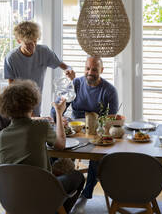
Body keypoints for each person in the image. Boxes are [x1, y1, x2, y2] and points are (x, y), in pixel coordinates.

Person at [0, 80, 85, 213]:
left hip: (12, 198)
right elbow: (61, 144)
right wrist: (59, 113)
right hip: (42, 193)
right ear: (31, 103)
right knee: (78, 177)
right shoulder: (40, 126)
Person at [51, 56, 118, 214]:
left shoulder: (109, 90)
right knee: (56, 152)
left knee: (96, 159)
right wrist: (61, 115)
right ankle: (61, 194)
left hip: (97, 133)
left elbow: (112, 119)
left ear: (101, 70)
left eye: (94, 69)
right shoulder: (76, 83)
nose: (90, 72)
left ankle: (85, 196)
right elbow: (55, 111)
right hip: (75, 133)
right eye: (87, 68)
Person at [4, 21, 75, 117]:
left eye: (35, 41)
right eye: (28, 43)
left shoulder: (44, 52)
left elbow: (64, 66)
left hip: (36, 104)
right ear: (19, 41)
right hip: (18, 105)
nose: (32, 46)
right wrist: (27, 111)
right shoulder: (11, 58)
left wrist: (69, 70)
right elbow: (11, 90)